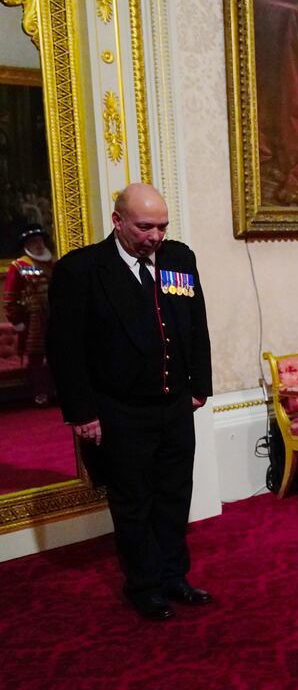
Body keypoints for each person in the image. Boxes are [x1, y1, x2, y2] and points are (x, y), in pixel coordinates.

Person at [45, 184, 213, 620]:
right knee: (133, 502)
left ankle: (174, 575)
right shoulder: (82, 270)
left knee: (176, 495)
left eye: (162, 226)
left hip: (175, 404)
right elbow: (66, 350)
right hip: (119, 410)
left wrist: (200, 385)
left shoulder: (179, 259)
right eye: (144, 227)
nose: (155, 236)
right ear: (118, 221)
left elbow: (196, 322)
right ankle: (144, 585)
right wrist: (82, 414)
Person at [3, 224, 57, 405]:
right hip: (33, 317)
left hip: (55, 315)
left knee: (58, 354)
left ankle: (56, 390)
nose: (39, 244)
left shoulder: (53, 263)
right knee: (36, 357)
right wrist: (16, 319)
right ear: (27, 243)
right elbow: (11, 296)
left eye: (40, 240)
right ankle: (40, 393)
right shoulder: (19, 266)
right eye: (34, 241)